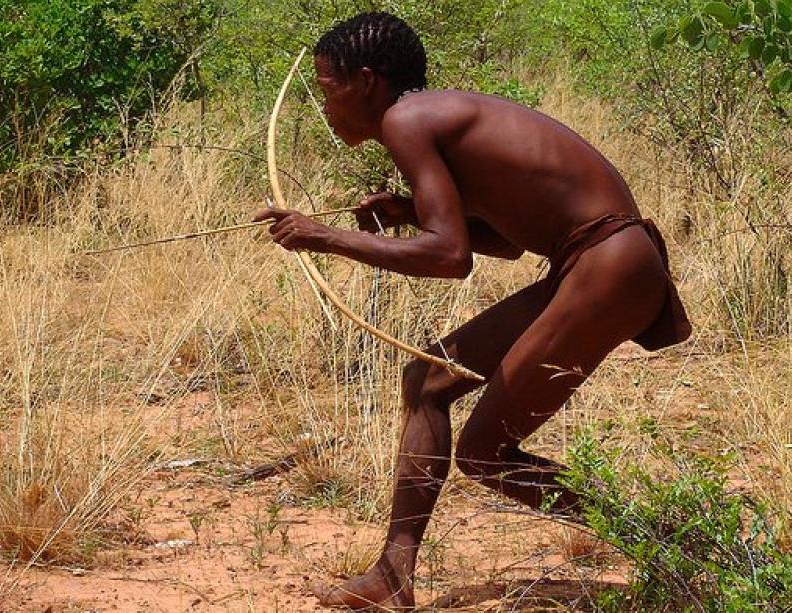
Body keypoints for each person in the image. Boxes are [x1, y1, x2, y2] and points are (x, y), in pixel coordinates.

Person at [254, 11, 691, 611]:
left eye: (329, 90)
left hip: (607, 263)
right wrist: (409, 211)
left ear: (366, 80)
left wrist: (322, 236)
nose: (325, 109)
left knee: (486, 453)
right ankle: (393, 575)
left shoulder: (407, 119)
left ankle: (671, 545)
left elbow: (449, 256)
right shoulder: (427, 117)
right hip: (600, 261)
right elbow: (505, 241)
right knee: (427, 380)